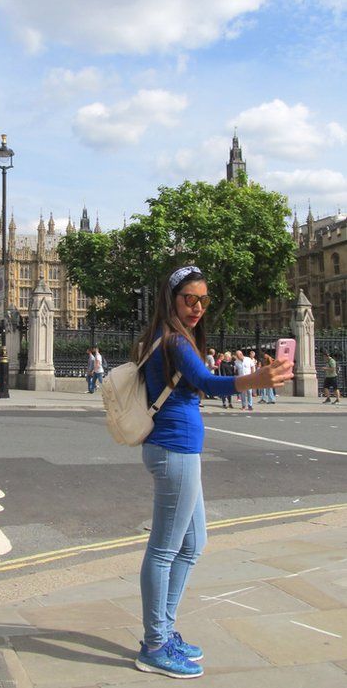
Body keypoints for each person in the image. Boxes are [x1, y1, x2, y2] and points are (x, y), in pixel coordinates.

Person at [134, 265, 293, 679]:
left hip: (177, 450)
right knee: (164, 549)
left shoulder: (170, 337)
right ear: (172, 299)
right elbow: (206, 381)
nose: (198, 307)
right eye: (190, 298)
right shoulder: (173, 340)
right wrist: (254, 379)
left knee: (194, 542)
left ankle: (163, 630)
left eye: (204, 299)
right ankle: (154, 643)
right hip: (175, 449)